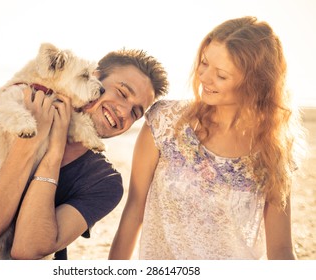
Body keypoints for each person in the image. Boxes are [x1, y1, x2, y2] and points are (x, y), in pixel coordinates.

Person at [0, 48, 169, 260]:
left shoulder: (105, 182)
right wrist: (31, 141)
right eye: (122, 93)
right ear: (94, 77)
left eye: (136, 112)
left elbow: (27, 250)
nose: (124, 111)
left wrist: (54, 152)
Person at [109, 16, 306, 260]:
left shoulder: (271, 151)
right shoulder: (165, 123)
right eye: (204, 63)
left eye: (221, 75)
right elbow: (134, 211)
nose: (204, 77)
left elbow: (281, 250)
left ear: (255, 84)